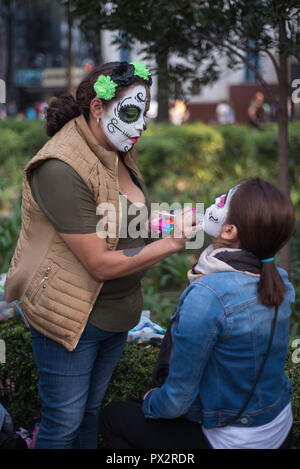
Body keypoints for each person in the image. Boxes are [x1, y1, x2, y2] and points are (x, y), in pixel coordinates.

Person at [4, 61, 199, 449]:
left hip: (115, 315)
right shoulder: (60, 168)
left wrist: (165, 221)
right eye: (132, 112)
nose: (141, 124)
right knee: (63, 424)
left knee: (90, 413)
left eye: (144, 113)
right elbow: (98, 262)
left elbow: (121, 213)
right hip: (73, 320)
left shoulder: (116, 143)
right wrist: (174, 243)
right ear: (98, 108)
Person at [99, 178, 296, 449]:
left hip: (233, 439)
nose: (216, 200)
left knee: (113, 417)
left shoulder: (208, 296)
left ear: (229, 231)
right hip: (277, 424)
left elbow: (177, 400)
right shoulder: (280, 282)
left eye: (224, 200)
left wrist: (151, 401)